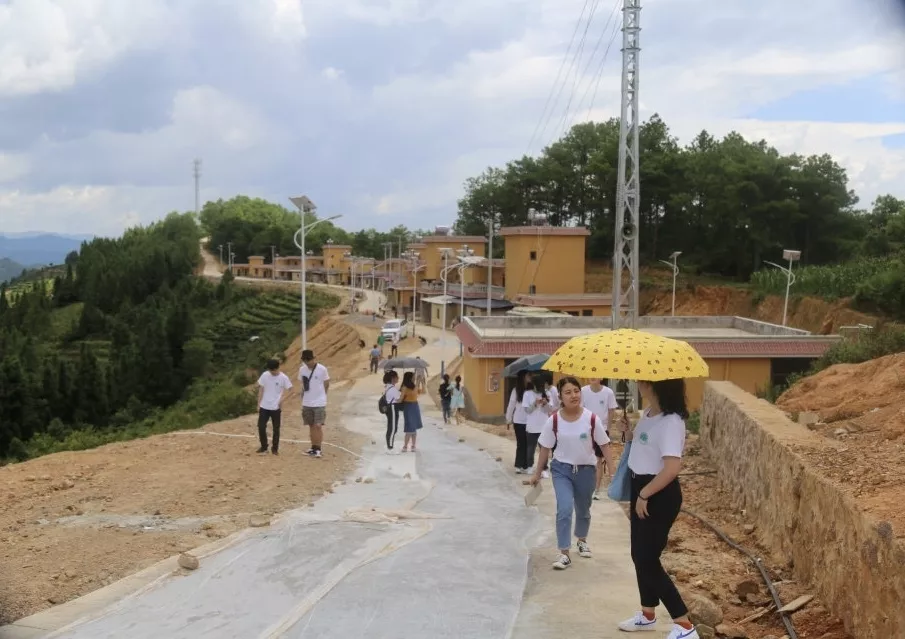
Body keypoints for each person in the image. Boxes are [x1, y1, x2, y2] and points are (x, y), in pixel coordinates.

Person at [617, 379, 699, 639]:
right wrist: (628, 434)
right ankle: (647, 614)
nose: (638, 382)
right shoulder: (650, 413)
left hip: (657, 494)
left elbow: (672, 469)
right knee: (638, 554)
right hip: (640, 488)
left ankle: (684, 625)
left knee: (647, 558)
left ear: (657, 385)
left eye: (643, 379)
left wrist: (645, 494)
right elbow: (644, 448)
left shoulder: (671, 422)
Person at [530, 377, 614, 570]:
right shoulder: (554, 420)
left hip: (586, 471)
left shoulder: (591, 418)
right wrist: (537, 473)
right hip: (562, 470)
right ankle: (564, 553)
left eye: (576, 391)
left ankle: (582, 540)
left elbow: (604, 444)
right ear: (560, 396)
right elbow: (545, 448)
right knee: (565, 509)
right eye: (568, 392)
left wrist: (612, 470)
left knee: (583, 509)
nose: (573, 395)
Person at [581, 378, 619, 500]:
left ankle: (596, 489)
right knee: (585, 459)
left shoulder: (608, 392)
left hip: (601, 429)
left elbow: (611, 411)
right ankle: (585, 487)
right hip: (586, 430)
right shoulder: (583, 391)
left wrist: (608, 428)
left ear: (601, 377)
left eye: (596, 374)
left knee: (598, 460)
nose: (593, 377)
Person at [256, 358, 292, 455]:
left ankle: (275, 448)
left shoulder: (283, 377)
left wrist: (282, 400)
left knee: (276, 428)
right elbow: (261, 389)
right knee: (261, 426)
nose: (272, 372)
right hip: (264, 406)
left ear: (277, 368)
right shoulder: (265, 375)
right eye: (270, 370)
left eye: (274, 370)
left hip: (276, 407)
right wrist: (258, 403)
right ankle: (264, 446)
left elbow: (290, 389)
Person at [299, 349, 330, 458]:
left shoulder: (322, 369)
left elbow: (326, 383)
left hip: (319, 402)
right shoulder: (302, 370)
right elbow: (303, 384)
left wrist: (322, 396)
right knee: (311, 425)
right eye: (305, 360)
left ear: (314, 358)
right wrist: (302, 396)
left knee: (318, 425)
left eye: (309, 360)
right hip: (307, 402)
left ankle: (318, 449)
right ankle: (313, 447)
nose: (307, 362)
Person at [522, 378, 554, 478]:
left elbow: (549, 410)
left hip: (544, 426)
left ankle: (544, 469)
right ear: (534, 385)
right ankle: (530, 466)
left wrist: (545, 403)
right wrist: (535, 404)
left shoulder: (547, 393)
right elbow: (527, 411)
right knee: (530, 447)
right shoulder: (527, 394)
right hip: (531, 426)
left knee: (544, 448)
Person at [505, 370, 532, 474]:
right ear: (523, 377)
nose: (530, 377)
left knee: (529, 444)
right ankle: (518, 465)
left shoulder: (532, 390)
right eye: (528, 376)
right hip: (518, 421)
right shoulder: (516, 390)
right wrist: (508, 419)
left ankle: (526, 465)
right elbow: (511, 405)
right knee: (521, 444)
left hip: (530, 421)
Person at [400, 371, 423, 452]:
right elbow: (413, 393)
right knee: (409, 427)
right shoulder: (404, 387)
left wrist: (422, 383)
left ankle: (413, 445)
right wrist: (418, 383)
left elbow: (422, 392)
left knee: (414, 427)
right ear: (410, 378)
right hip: (408, 407)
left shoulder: (413, 386)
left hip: (415, 406)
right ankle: (405, 446)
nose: (414, 378)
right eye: (413, 377)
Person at [382, 370, 402, 450]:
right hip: (393, 408)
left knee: (391, 427)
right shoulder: (392, 389)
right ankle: (390, 447)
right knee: (393, 428)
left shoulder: (389, 386)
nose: (398, 378)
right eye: (397, 377)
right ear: (393, 378)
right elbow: (399, 399)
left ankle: (390, 445)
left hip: (390, 408)